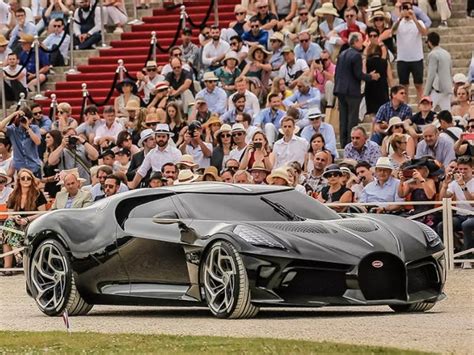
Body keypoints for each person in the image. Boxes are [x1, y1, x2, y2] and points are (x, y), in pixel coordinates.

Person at [334, 32, 380, 147]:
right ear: (355, 42)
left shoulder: (342, 54)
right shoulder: (356, 55)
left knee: (343, 118)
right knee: (352, 118)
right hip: (351, 91)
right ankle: (350, 143)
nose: (362, 43)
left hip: (340, 90)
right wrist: (371, 76)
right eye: (360, 41)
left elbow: (337, 73)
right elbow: (358, 74)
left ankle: (344, 142)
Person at [2, 168, 47, 272]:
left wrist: (27, 219)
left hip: (33, 225)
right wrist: (15, 217)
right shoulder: (13, 195)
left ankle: (8, 267)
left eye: (29, 178)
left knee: (6, 232)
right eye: (23, 178)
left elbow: (43, 213)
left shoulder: (37, 194)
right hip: (16, 226)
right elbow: (10, 215)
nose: (26, 180)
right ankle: (17, 256)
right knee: (8, 224)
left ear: (32, 180)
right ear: (19, 180)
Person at [438, 156, 473, 268]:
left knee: (466, 225)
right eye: (460, 169)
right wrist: (445, 185)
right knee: (442, 225)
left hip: (472, 215)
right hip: (460, 215)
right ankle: (455, 253)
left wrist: (463, 186)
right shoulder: (454, 183)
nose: (462, 172)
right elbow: (443, 199)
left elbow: (472, 202)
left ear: (472, 168)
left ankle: (467, 257)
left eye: (465, 169)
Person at [392, 1, 428, 101]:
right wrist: (400, 18)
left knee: (419, 85)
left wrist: (414, 19)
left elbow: (424, 32)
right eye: (404, 8)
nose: (407, 10)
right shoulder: (398, 23)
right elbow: (392, 31)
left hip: (416, 58)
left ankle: (420, 108)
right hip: (402, 59)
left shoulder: (419, 22)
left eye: (408, 8)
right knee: (403, 87)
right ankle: (405, 109)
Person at [129, 124, 181, 189]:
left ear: (168, 138)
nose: (161, 139)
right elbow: (141, 172)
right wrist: (132, 187)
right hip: (155, 186)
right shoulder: (151, 153)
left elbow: (179, 172)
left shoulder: (175, 152)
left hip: (171, 186)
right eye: (159, 136)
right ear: (155, 137)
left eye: (163, 136)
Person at [0, 109, 42, 176]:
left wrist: (28, 128)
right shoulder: (13, 130)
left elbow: (38, 142)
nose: (23, 121)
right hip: (19, 168)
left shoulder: (34, 128)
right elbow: (0, 126)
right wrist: (14, 114)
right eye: (22, 119)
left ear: (31, 119)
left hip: (34, 166)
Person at [424, 32, 452, 111]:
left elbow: (431, 75)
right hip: (447, 88)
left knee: (427, 111)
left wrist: (426, 93)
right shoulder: (447, 53)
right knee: (447, 113)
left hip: (437, 89)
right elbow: (450, 71)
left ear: (429, 42)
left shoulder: (433, 54)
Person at [364, 42, 391, 117]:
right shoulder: (385, 62)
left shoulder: (366, 62)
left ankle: (374, 128)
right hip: (382, 89)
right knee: (384, 114)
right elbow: (390, 78)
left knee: (373, 115)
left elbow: (363, 75)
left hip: (370, 90)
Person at [42, 129, 62, 198]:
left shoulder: (59, 154)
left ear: (55, 138)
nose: (45, 140)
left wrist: (45, 179)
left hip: (57, 187)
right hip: (48, 187)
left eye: (48, 137)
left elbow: (60, 174)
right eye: (45, 137)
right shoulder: (47, 154)